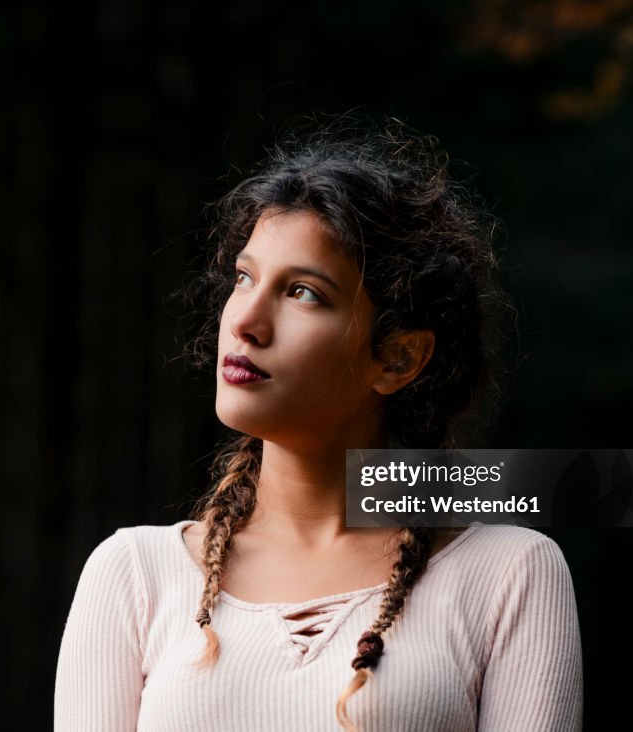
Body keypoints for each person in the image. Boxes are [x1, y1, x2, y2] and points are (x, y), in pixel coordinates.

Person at [54, 116, 583, 731]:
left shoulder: (509, 573)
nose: (246, 319)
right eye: (245, 277)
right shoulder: (134, 573)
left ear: (398, 357)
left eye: (303, 292)